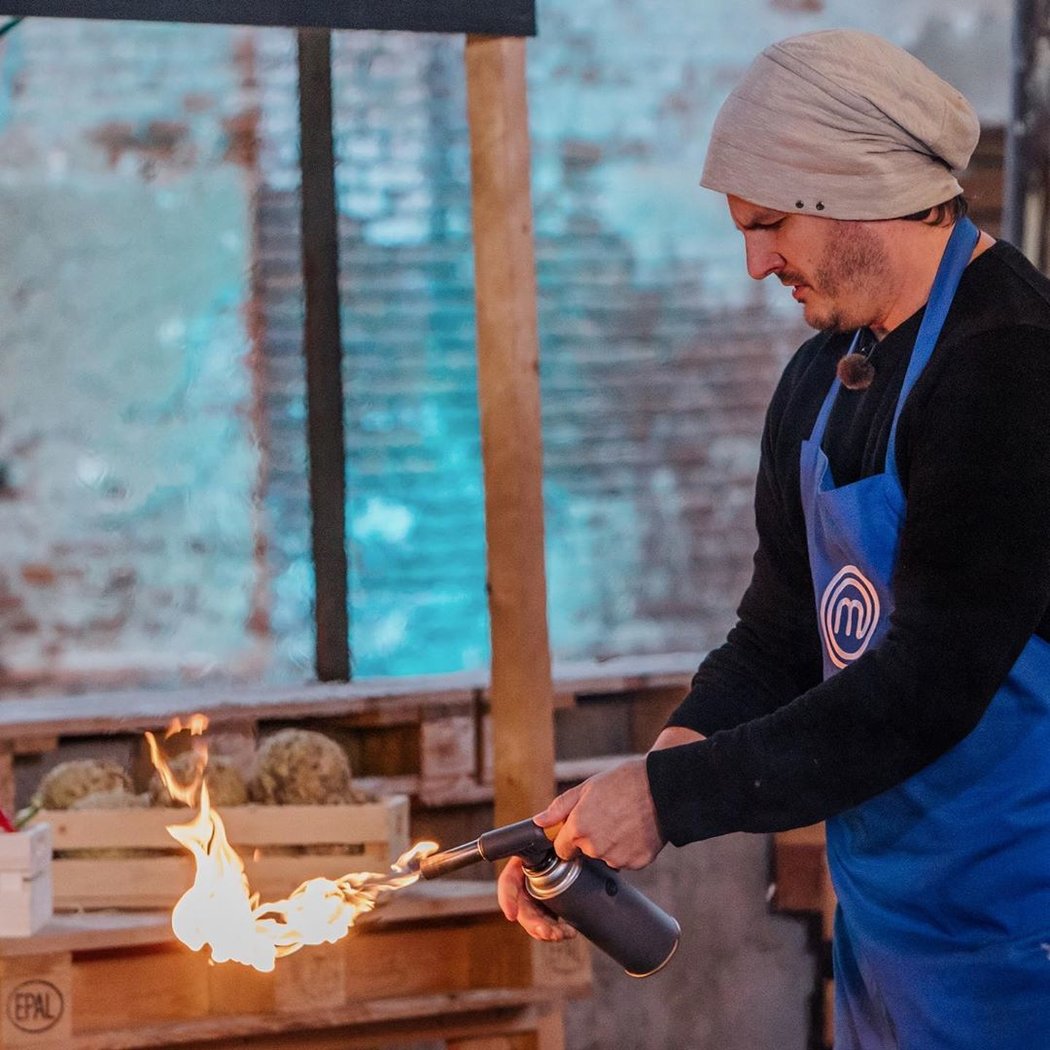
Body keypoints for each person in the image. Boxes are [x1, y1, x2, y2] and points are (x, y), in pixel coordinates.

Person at [498, 28, 1050, 1049]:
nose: (756, 265)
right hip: (892, 937)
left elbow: (928, 683)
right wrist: (638, 785)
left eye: (769, 225)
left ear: (851, 187)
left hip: (1023, 940)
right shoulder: (822, 377)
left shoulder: (1011, 366)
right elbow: (781, 633)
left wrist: (668, 800)